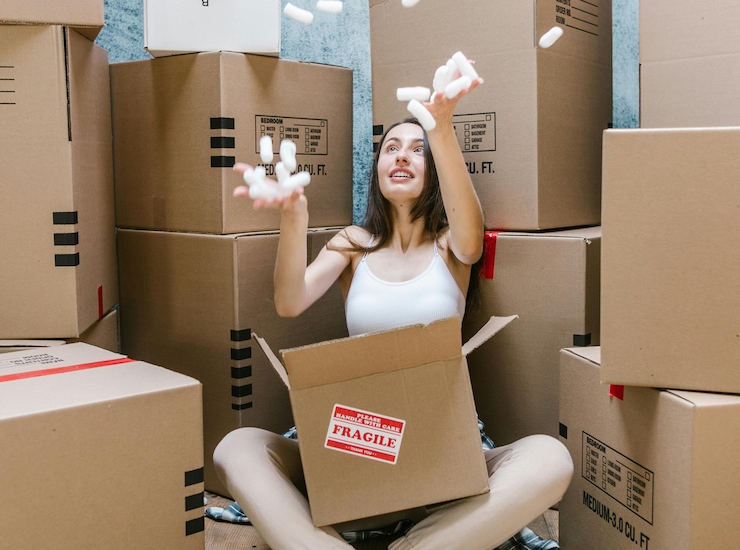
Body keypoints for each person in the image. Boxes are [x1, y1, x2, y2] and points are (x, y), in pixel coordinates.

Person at [212, 66, 573, 550]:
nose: (403, 155)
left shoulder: (452, 247)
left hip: (439, 441)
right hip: (356, 438)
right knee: (238, 447)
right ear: (377, 168)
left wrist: (440, 127)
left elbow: (471, 230)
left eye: (417, 150)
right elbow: (289, 300)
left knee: (551, 458)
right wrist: (294, 217)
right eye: (391, 148)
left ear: (434, 171)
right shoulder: (353, 244)